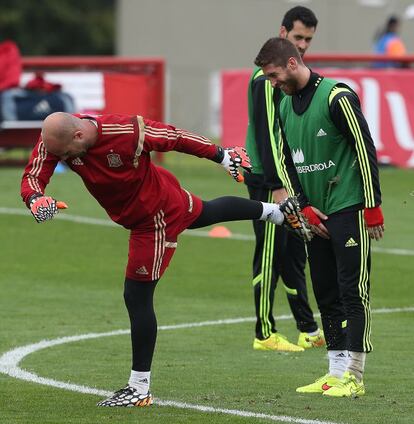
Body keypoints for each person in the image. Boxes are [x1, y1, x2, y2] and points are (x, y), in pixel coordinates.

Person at [20, 111, 311, 407]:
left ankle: (139, 387)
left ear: (79, 136)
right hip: (158, 192)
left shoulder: (128, 130)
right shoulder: (56, 139)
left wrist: (221, 155)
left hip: (154, 217)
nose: (63, 160)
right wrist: (36, 199)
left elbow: (175, 137)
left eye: (66, 154)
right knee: (206, 213)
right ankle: (276, 213)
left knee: (136, 295)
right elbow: (33, 175)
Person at [254, 37, 385, 397]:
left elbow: (364, 148)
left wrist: (372, 206)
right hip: (316, 212)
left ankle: (355, 377)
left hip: (348, 205)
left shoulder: (336, 97)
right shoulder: (282, 104)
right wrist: (304, 206)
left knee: (352, 291)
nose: (271, 82)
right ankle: (334, 372)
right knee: (325, 292)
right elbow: (287, 161)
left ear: (292, 64)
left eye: (274, 74)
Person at [244, 6, 324, 352]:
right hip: (267, 179)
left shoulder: (292, 75)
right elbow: (268, 135)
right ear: (282, 33)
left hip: (288, 178)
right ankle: (264, 333)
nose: (303, 44)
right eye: (297, 37)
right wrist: (278, 184)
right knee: (270, 252)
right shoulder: (265, 77)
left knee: (295, 254)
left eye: (307, 39)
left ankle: (307, 328)